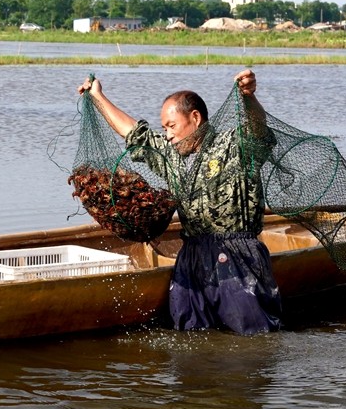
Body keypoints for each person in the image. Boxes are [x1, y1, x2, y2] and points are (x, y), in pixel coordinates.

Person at [77, 69, 281, 335]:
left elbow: (257, 129)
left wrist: (248, 96)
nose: (168, 135)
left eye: (171, 126)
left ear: (195, 118)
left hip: (237, 255)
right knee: (189, 334)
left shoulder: (234, 146)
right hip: (192, 255)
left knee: (252, 337)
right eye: (164, 129)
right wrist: (98, 97)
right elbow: (134, 134)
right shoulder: (171, 156)